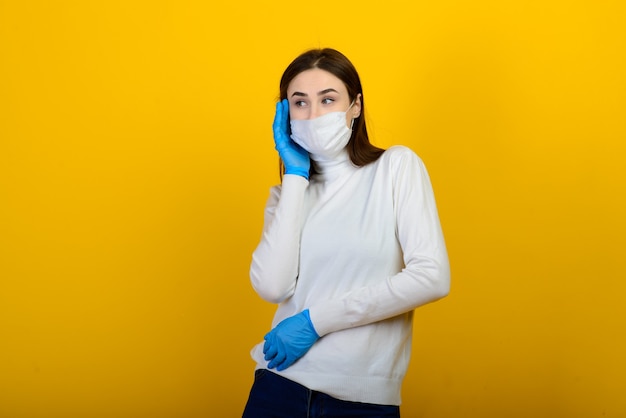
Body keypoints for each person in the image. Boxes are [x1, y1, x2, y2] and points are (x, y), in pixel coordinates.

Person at [242, 48, 450, 417]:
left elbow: (431, 277)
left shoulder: (395, 167)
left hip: (360, 401)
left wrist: (315, 321)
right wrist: (294, 175)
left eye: (328, 99)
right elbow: (272, 287)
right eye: (300, 102)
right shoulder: (285, 194)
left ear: (355, 106)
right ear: (285, 114)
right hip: (277, 387)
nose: (314, 114)